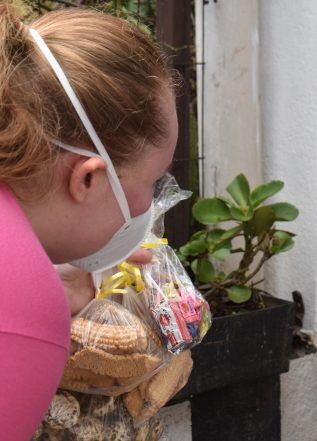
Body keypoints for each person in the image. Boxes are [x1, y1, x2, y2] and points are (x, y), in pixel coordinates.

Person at [0, 5, 178, 439]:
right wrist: (37, 301)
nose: (150, 203)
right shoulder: (22, 300)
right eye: (153, 182)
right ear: (89, 178)